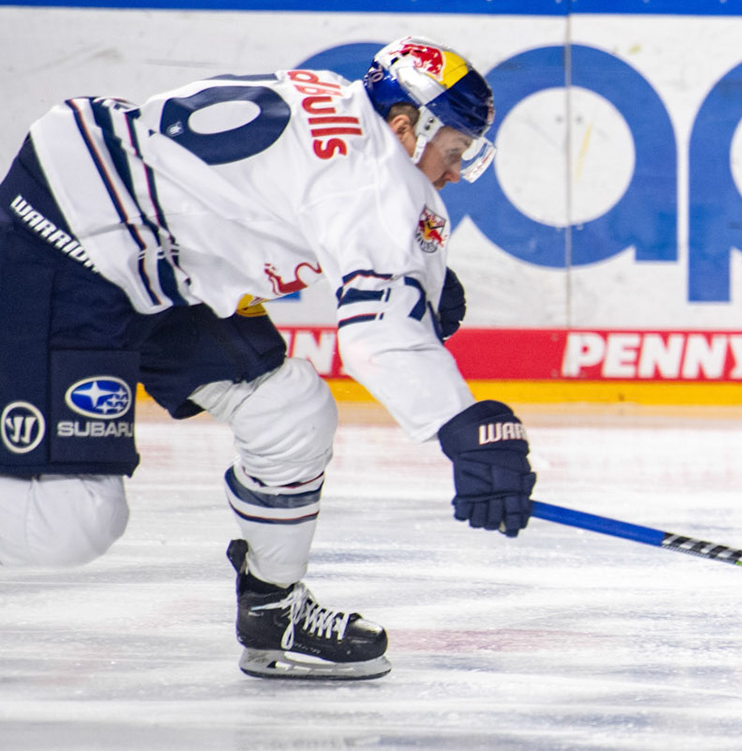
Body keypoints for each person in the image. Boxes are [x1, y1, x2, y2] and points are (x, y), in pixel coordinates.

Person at [0, 38, 538, 681]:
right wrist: (467, 427)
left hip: (147, 246)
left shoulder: (336, 97)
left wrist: (405, 269)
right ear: (406, 128)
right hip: (69, 242)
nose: (454, 172)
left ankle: (271, 607)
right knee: (72, 524)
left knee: (289, 412)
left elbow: (284, 201)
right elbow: (378, 333)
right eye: (453, 152)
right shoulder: (380, 181)